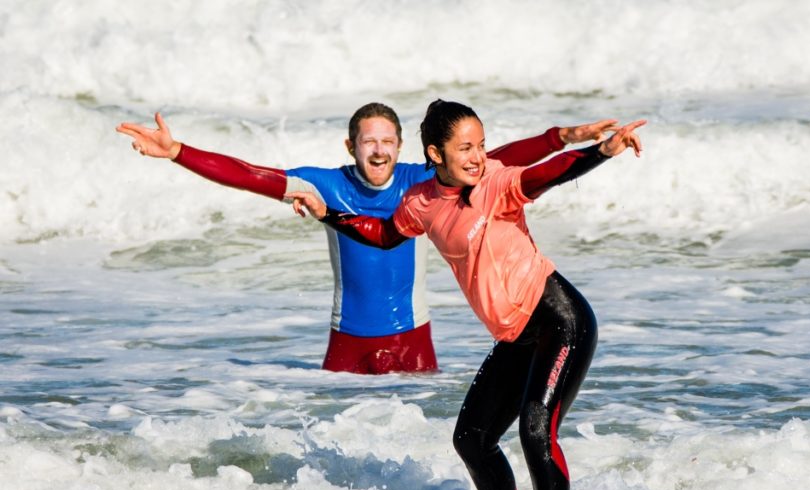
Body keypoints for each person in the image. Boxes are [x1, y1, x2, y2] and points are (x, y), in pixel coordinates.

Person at [287, 100, 644, 490]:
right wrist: (330, 214)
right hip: (516, 336)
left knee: (536, 433)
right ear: (436, 154)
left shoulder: (495, 182)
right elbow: (384, 233)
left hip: (561, 321)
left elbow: (545, 175)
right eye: (465, 148)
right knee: (472, 438)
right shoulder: (421, 203)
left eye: (480, 144)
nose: (478, 155)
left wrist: (601, 151)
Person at [116, 105, 617, 374]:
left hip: (414, 340)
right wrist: (179, 151)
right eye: (367, 140)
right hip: (346, 343)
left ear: (404, 148)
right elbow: (252, 176)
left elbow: (493, 159)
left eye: (387, 141)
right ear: (350, 145)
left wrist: (561, 137)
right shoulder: (325, 186)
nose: (378, 150)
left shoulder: (422, 185)